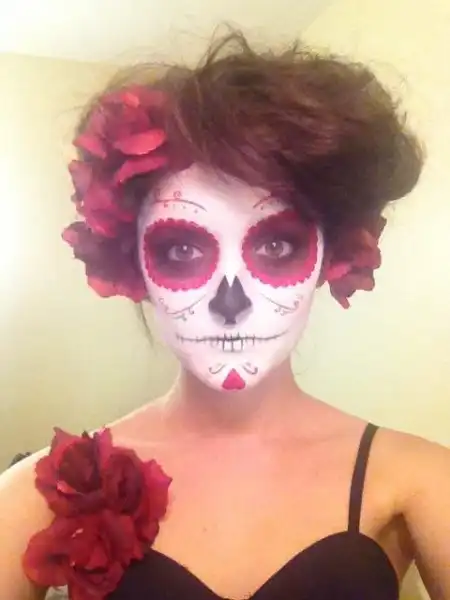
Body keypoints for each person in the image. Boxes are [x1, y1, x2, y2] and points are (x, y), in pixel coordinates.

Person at [1, 31, 449, 600]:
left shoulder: (418, 481)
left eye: (277, 245)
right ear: (132, 264)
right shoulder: (41, 492)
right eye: (182, 249)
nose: (230, 302)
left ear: (330, 257)